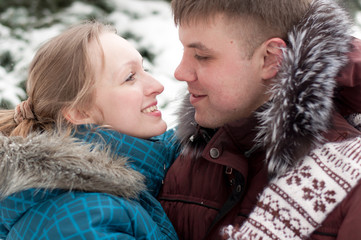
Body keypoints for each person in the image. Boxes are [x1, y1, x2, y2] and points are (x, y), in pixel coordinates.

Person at [157, 0, 361, 239]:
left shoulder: (348, 179)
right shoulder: (182, 155)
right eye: (184, 51)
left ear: (270, 58)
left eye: (202, 56)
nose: (180, 72)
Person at [0, 21, 179, 240]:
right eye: (130, 77)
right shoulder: (81, 219)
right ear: (79, 112)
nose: (157, 85)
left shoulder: (98, 195)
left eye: (145, 69)